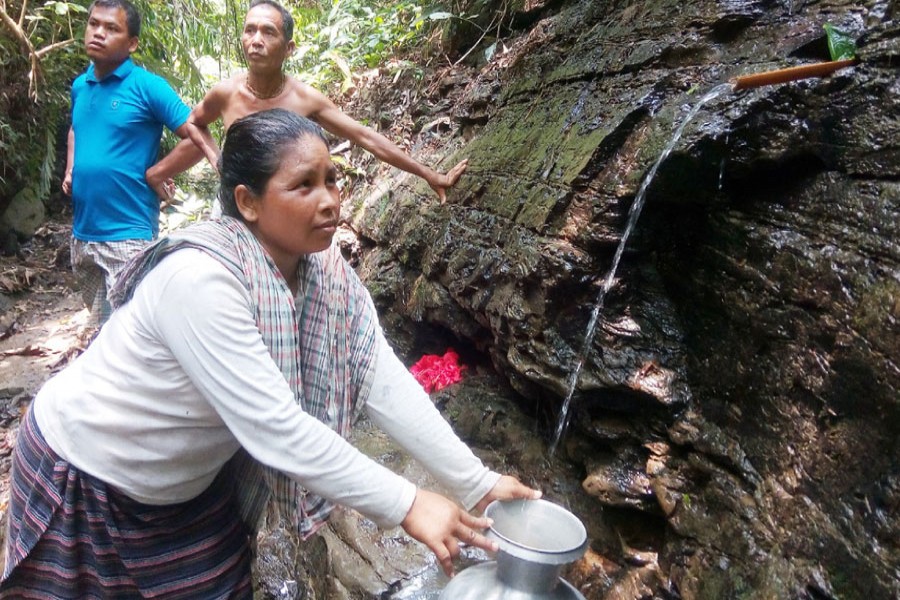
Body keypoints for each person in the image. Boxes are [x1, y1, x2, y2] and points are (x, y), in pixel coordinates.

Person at [0, 108, 539, 598]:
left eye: (332, 180)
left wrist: (477, 483)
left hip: (189, 492)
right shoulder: (200, 279)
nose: (328, 199)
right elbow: (275, 428)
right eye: (303, 185)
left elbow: (375, 372)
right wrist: (410, 503)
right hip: (86, 474)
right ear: (247, 202)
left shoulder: (324, 272)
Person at [147, 0, 467, 207]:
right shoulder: (225, 93)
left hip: (289, 213)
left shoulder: (305, 99)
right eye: (250, 30)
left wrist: (428, 174)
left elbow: (366, 137)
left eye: (268, 32)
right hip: (235, 204)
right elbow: (194, 122)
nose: (256, 39)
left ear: (289, 48)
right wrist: (217, 159)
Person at [61, 0, 193, 328]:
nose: (99, 33)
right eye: (94, 24)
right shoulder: (81, 85)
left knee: (134, 332)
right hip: (83, 236)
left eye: (112, 28)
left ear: (132, 43)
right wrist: (70, 168)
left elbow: (197, 136)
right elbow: (76, 128)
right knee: (100, 330)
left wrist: (157, 173)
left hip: (128, 236)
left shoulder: (147, 87)